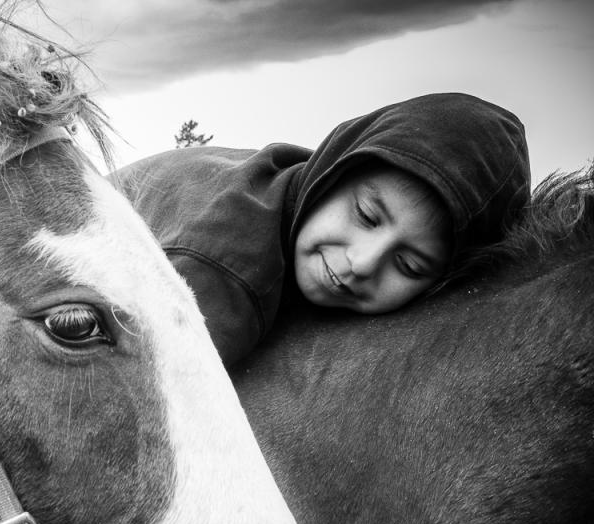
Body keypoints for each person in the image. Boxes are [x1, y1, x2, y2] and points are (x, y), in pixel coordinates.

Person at [111, 93, 531, 365]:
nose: (363, 262)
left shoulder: (302, 197)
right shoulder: (223, 271)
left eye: (408, 265)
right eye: (367, 216)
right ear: (331, 173)